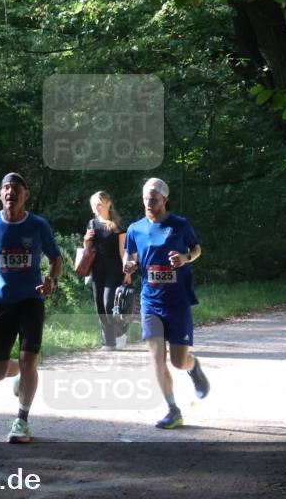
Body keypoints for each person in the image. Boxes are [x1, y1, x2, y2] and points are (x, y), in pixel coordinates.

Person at [0, 172, 63, 443]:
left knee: (28, 358)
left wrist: (52, 280)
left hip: (31, 301)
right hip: (1, 303)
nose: (10, 192)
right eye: (5, 188)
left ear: (25, 195)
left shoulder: (37, 225)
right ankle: (23, 370)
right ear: (0, 194)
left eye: (16, 188)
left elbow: (56, 259)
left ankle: (21, 420)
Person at [123, 178, 210, 429]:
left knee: (178, 361)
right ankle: (173, 409)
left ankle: (193, 367)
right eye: (145, 199)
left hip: (177, 300)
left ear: (164, 200)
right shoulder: (135, 228)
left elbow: (197, 249)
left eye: (154, 200)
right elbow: (129, 256)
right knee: (156, 358)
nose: (149, 204)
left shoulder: (180, 225)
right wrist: (127, 265)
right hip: (150, 300)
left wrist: (185, 257)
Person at [84, 191, 131, 350]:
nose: (96, 208)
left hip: (114, 268)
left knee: (109, 303)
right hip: (97, 269)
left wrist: (128, 272)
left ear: (108, 204)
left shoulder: (118, 226)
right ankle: (108, 342)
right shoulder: (92, 223)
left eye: (99, 204)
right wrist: (86, 240)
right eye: (94, 205)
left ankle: (121, 330)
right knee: (99, 306)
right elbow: (88, 250)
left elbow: (123, 252)